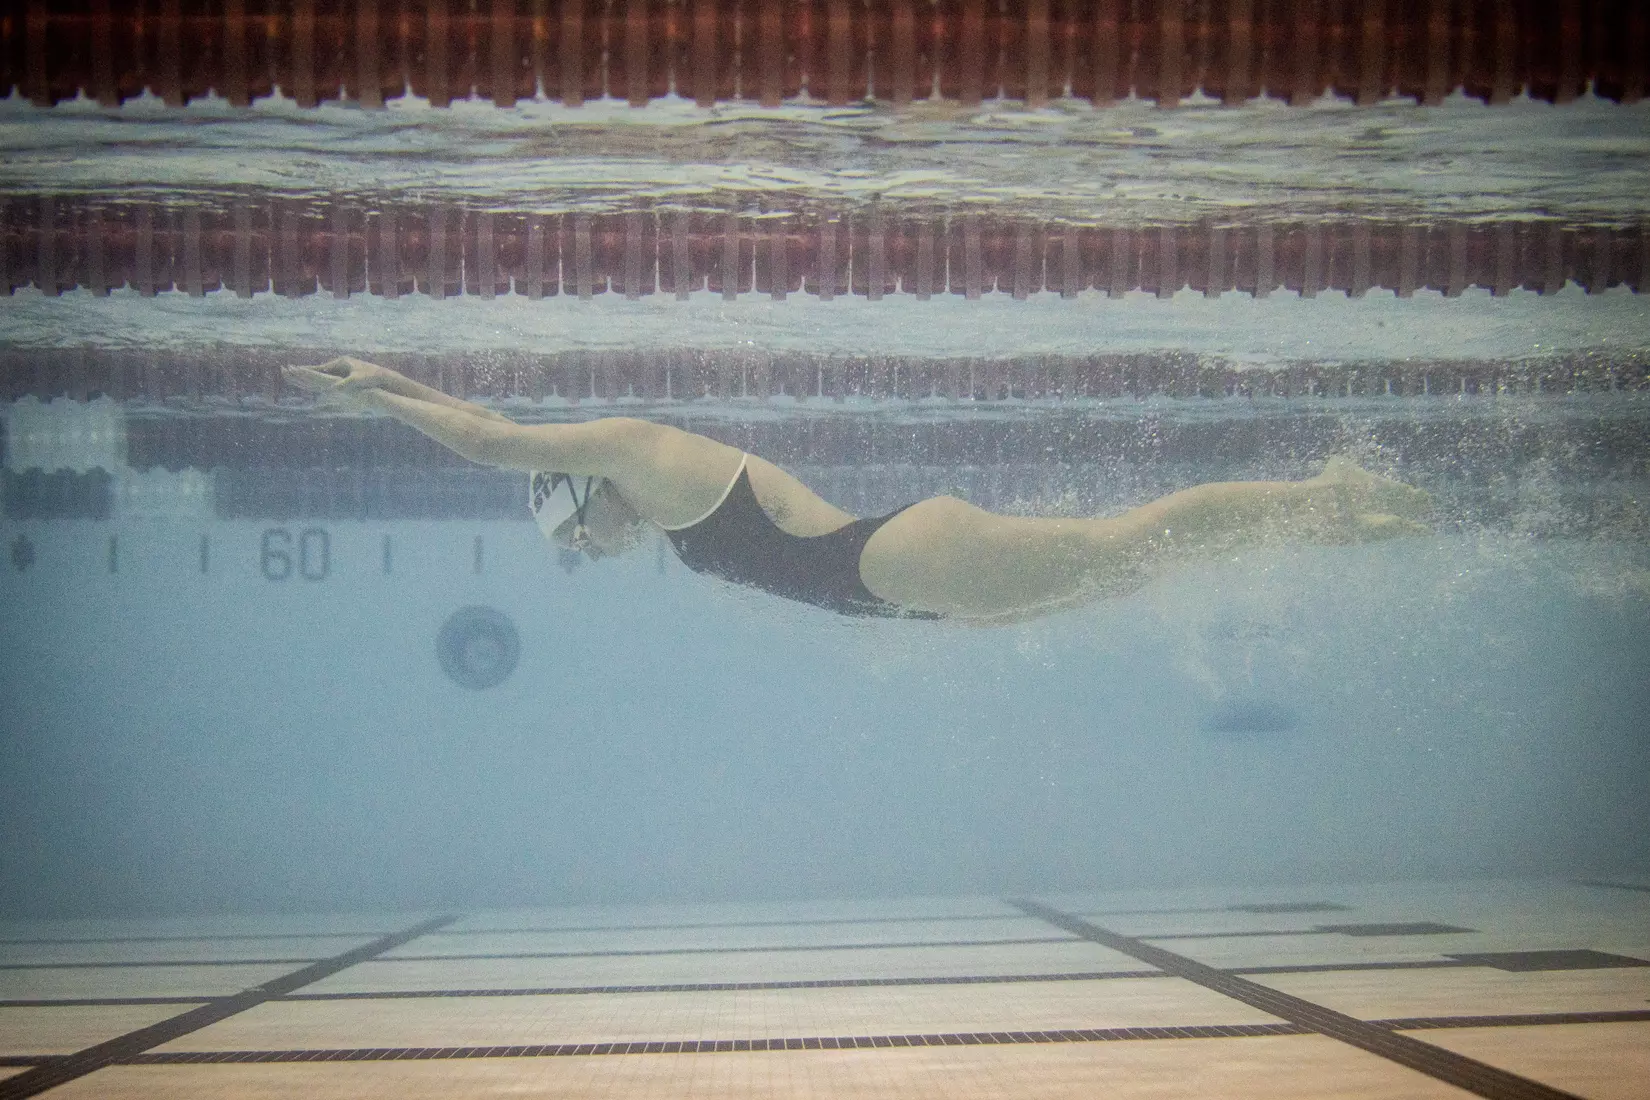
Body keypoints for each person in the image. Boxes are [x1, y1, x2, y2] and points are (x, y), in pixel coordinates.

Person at [283, 356, 1431, 624]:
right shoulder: (659, 503)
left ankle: (1327, 495)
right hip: (910, 582)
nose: (594, 545)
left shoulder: (644, 452)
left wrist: (378, 387)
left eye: (582, 529)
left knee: (1132, 539)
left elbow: (490, 436)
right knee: (1136, 560)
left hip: (904, 560)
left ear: (585, 484)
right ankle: (1324, 517)